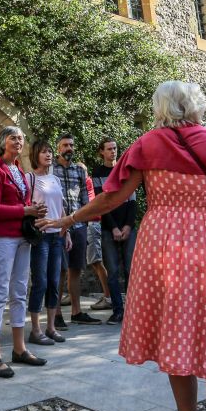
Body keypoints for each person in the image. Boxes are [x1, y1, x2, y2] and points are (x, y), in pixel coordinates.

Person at [41, 81, 206, 411]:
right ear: (196, 105)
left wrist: (69, 219)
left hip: (163, 248)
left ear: (160, 108)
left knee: (178, 349)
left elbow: (113, 197)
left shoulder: (146, 146)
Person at [0, 126, 47, 378]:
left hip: (21, 237)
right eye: (13, 137)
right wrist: (25, 211)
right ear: (2, 142)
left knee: (20, 290)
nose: (18, 141)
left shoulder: (19, 170)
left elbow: (20, 203)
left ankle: (19, 348)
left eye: (21, 138)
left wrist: (33, 210)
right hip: (2, 237)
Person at [26, 141, 68, 346]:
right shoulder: (30, 178)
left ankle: (51, 328)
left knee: (53, 281)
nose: (48, 154)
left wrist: (65, 232)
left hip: (56, 236)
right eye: (44, 151)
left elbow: (60, 207)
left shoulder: (55, 178)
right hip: (41, 235)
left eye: (50, 151)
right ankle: (35, 330)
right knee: (40, 282)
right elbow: (25, 206)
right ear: (36, 154)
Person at [91, 137, 137, 325]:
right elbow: (101, 203)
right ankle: (118, 311)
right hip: (109, 229)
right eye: (109, 149)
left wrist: (127, 226)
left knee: (130, 270)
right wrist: (114, 228)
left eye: (115, 148)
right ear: (101, 152)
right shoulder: (98, 173)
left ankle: (133, 311)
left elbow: (133, 202)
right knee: (113, 271)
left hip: (128, 228)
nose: (113, 151)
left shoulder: (126, 170)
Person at [54, 134, 98, 325]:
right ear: (58, 149)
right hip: (59, 226)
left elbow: (85, 199)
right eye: (65, 145)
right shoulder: (50, 170)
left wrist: (84, 220)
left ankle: (76, 312)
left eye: (71, 145)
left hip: (78, 225)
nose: (68, 148)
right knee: (60, 271)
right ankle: (56, 314)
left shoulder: (79, 171)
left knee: (75, 270)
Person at [84, 169, 114, 314]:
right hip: (88, 223)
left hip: (92, 223)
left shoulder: (87, 182)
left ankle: (108, 297)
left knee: (96, 261)